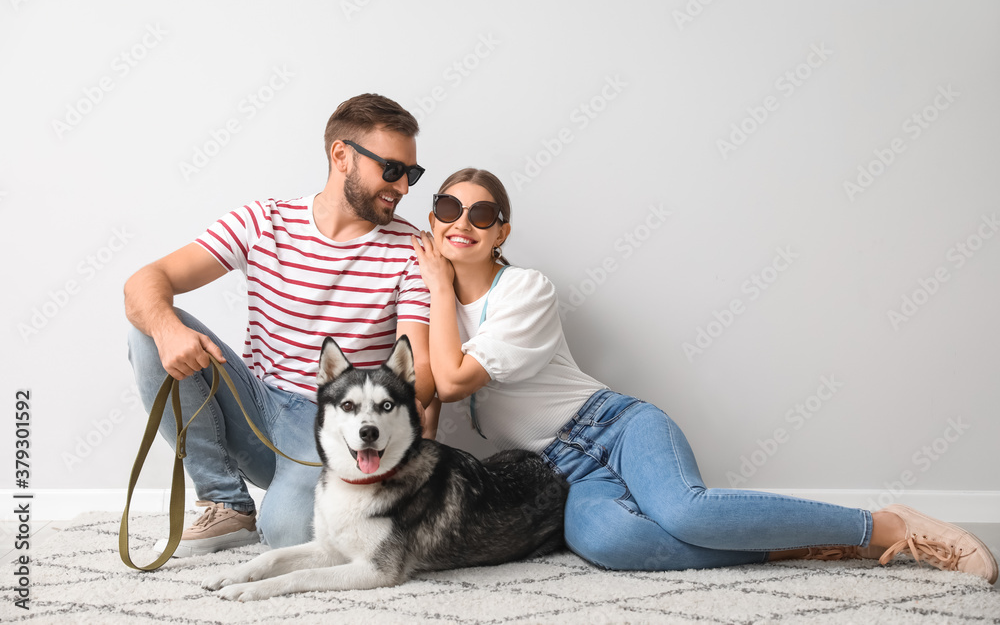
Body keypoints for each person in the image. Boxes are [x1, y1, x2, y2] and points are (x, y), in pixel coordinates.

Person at [409, 167, 998, 584]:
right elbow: (428, 389)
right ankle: (805, 547)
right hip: (562, 471)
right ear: (432, 220)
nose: (462, 221)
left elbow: (456, 380)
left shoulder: (525, 288)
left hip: (614, 425)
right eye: (446, 209)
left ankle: (888, 525)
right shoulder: (432, 312)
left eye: (481, 213)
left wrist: (436, 284)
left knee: (686, 512)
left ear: (502, 232)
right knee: (611, 545)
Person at [124, 93, 438, 557]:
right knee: (150, 327)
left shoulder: (411, 250)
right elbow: (145, 282)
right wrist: (168, 329)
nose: (403, 187)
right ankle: (226, 501)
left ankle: (293, 496)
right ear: (342, 156)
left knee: (288, 535)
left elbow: (420, 371)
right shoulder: (263, 220)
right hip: (256, 405)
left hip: (337, 423)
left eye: (411, 174)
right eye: (392, 170)